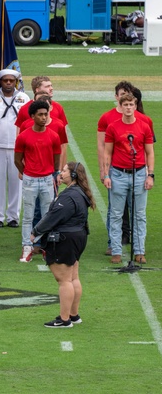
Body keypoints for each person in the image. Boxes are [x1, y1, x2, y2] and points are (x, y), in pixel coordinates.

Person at [32, 162, 94, 328]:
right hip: (79, 236)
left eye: (65, 170)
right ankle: (73, 315)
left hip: (66, 239)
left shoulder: (68, 196)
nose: (61, 172)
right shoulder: (80, 192)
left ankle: (64, 319)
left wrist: (36, 231)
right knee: (73, 277)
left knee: (64, 280)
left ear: (73, 175)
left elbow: (54, 217)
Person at [103, 93, 154, 265]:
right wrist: (106, 175)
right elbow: (107, 152)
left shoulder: (144, 126)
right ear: (120, 105)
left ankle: (139, 251)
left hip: (139, 173)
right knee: (116, 214)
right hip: (118, 173)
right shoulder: (112, 127)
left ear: (136, 105)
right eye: (125, 104)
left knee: (139, 215)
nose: (128, 108)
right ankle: (116, 250)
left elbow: (149, 152)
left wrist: (150, 175)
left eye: (131, 104)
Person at [14, 99, 62, 263]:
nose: (43, 117)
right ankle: (27, 247)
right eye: (40, 114)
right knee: (28, 216)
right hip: (30, 180)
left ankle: (45, 247)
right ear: (32, 116)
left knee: (47, 216)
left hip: (47, 179)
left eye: (45, 114)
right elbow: (17, 160)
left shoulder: (54, 136)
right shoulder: (23, 136)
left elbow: (56, 160)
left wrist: (52, 174)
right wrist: (27, 173)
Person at [0, 69, 30, 228]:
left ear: (16, 82)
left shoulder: (24, 98)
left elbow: (28, 123)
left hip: (18, 147)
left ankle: (13, 216)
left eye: (11, 80)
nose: (8, 83)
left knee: (17, 183)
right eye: (5, 80)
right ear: (0, 81)